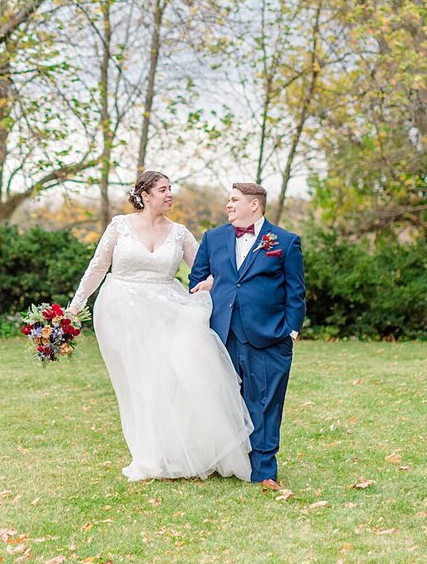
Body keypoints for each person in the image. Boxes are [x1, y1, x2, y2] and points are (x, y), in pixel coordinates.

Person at [68, 170, 253, 482]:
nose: (170, 195)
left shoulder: (179, 232)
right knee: (137, 383)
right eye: (163, 190)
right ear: (144, 195)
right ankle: (149, 456)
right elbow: (99, 265)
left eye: (171, 189)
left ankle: (175, 453)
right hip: (120, 311)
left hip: (166, 310)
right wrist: (76, 305)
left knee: (166, 379)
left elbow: (205, 270)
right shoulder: (120, 225)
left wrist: (207, 284)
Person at [189, 182, 306, 490]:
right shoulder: (213, 238)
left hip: (269, 335)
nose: (228, 205)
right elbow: (197, 278)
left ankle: (264, 470)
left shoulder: (284, 241)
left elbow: (296, 291)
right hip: (222, 333)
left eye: (234, 200)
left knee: (266, 401)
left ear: (254, 205)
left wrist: (290, 332)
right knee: (223, 400)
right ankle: (226, 461)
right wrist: (211, 283)